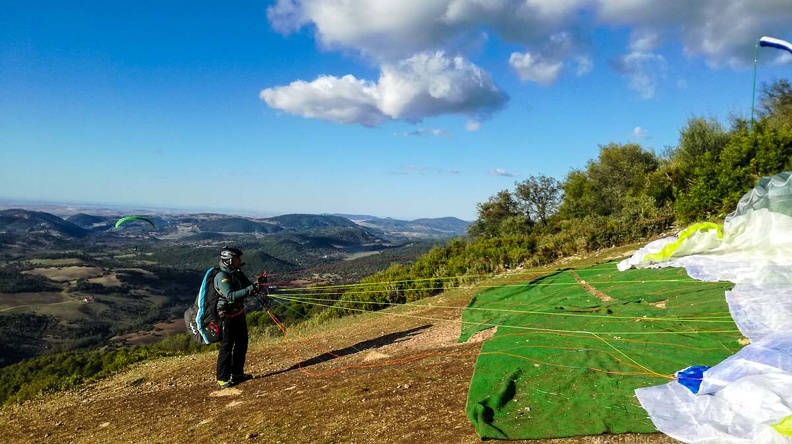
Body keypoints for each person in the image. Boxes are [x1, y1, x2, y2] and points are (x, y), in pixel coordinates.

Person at [214, 246, 263, 388]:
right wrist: (250, 289)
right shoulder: (221, 276)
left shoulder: (237, 273)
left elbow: (248, 287)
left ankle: (237, 373)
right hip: (226, 316)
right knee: (227, 346)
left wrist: (258, 284)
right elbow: (230, 295)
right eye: (237, 258)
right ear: (229, 260)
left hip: (238, 313)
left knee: (242, 343)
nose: (240, 260)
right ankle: (223, 378)